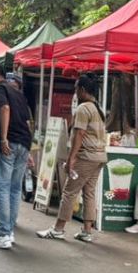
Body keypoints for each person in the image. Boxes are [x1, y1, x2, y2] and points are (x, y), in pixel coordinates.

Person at [37, 74, 107, 242]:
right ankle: (87, 231)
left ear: (82, 90)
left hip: (86, 156)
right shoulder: (98, 108)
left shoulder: (83, 109)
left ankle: (58, 229)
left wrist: (71, 159)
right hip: (99, 156)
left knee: (69, 191)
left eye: (76, 89)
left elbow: (79, 134)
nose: (75, 92)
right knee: (89, 192)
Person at [0, 62, 33, 249]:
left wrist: (3, 138)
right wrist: (28, 149)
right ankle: (9, 231)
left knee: (2, 188)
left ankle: (3, 233)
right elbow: (28, 122)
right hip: (23, 143)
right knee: (14, 189)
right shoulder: (18, 94)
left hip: (8, 142)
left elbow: (4, 109)